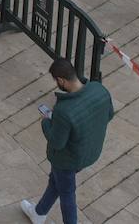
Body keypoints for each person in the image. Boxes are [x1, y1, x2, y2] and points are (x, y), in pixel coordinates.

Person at [20, 58, 115, 224]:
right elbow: (109, 115)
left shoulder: (63, 110)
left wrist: (46, 121)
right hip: (90, 152)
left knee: (67, 193)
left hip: (66, 160)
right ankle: (39, 213)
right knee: (56, 181)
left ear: (61, 80)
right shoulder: (99, 89)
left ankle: (45, 216)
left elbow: (57, 143)